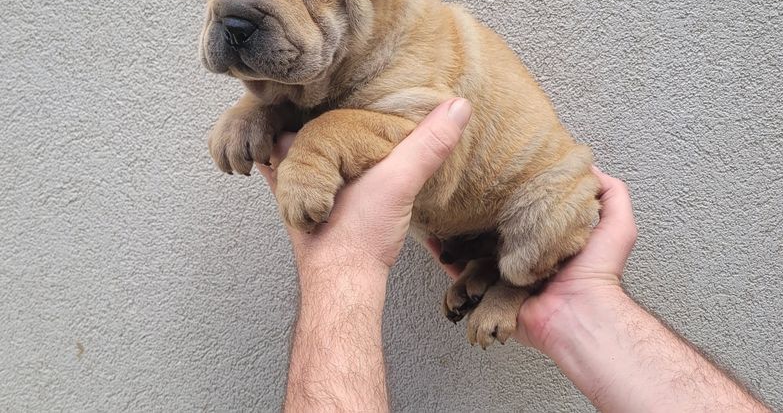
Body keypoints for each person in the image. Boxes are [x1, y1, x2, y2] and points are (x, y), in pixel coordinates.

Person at [259, 99, 769, 412]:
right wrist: (257, 112)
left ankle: (510, 284)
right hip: (475, 223)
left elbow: (395, 120)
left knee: (527, 253)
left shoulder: (406, 50)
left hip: (528, 210)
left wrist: (342, 260)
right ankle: (491, 269)